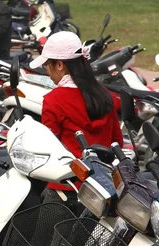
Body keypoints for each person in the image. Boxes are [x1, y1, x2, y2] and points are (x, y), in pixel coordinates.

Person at [28, 31, 124, 213]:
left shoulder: (53, 100)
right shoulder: (105, 96)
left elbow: (48, 149)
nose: (47, 72)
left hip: (65, 190)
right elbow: (116, 142)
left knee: (48, 241)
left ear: (59, 65)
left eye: (47, 65)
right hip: (103, 190)